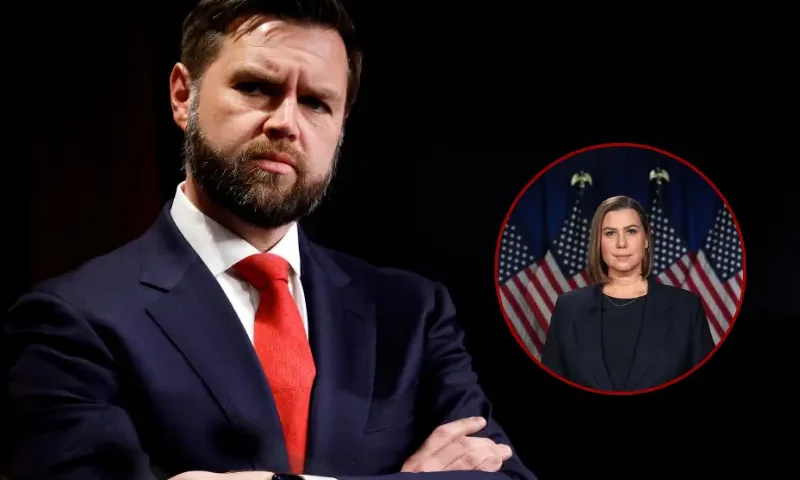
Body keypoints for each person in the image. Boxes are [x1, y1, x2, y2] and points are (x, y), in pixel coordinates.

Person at [0, 1, 538, 480]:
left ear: (342, 126)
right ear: (183, 96)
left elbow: (501, 474)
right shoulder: (72, 319)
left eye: (317, 103)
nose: (286, 123)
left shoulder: (412, 314)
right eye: (256, 87)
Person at [540, 195, 715, 392]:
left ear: (647, 239)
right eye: (610, 233)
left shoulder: (686, 308)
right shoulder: (568, 307)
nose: (621, 243)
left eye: (631, 231)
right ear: (598, 242)